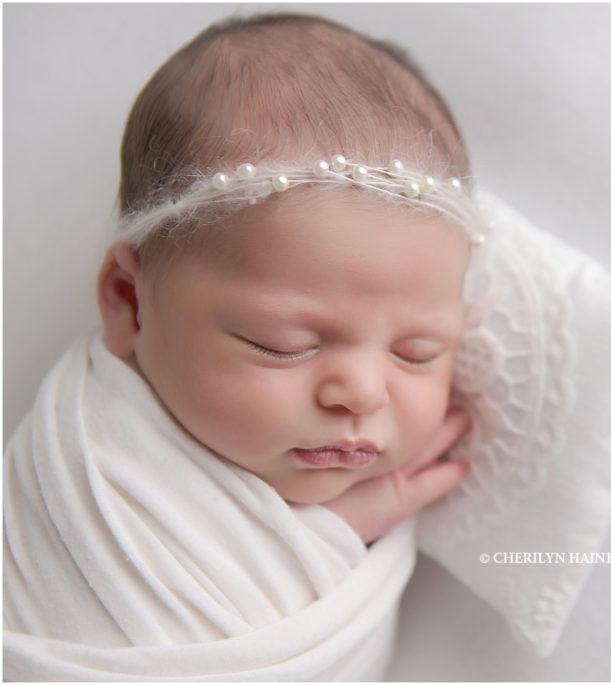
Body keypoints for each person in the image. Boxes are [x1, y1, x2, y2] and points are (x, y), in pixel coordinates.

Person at [4, 12, 484, 679]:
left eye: (418, 352)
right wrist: (331, 533)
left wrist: (326, 535)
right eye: (282, 343)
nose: (364, 392)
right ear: (129, 302)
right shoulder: (88, 465)